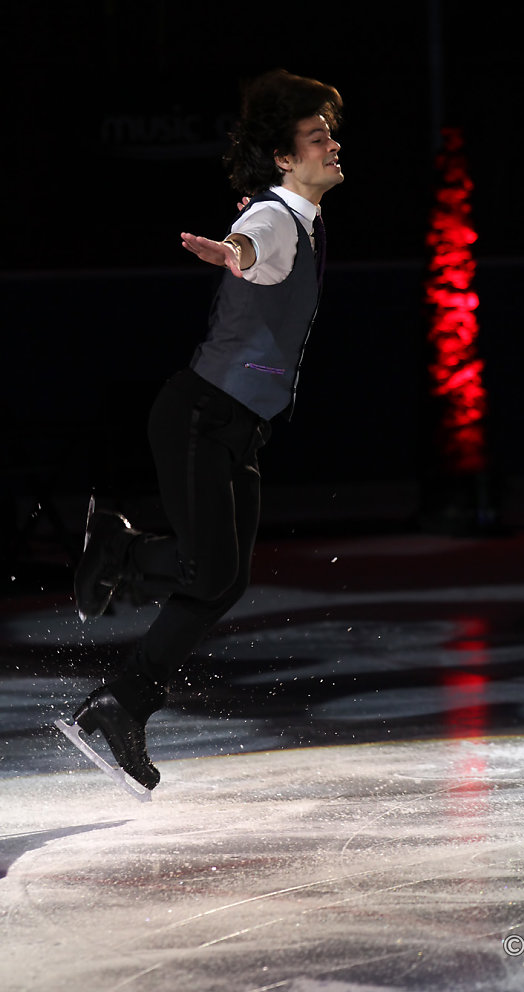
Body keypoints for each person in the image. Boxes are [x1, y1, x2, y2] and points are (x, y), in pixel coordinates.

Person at [61, 69, 344, 791]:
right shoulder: (275, 217)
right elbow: (250, 245)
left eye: (331, 133)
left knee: (223, 581)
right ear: (284, 158)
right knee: (212, 573)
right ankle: (121, 564)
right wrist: (235, 252)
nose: (333, 146)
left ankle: (120, 700)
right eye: (317, 137)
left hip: (235, 427)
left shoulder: (299, 218)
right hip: (201, 415)